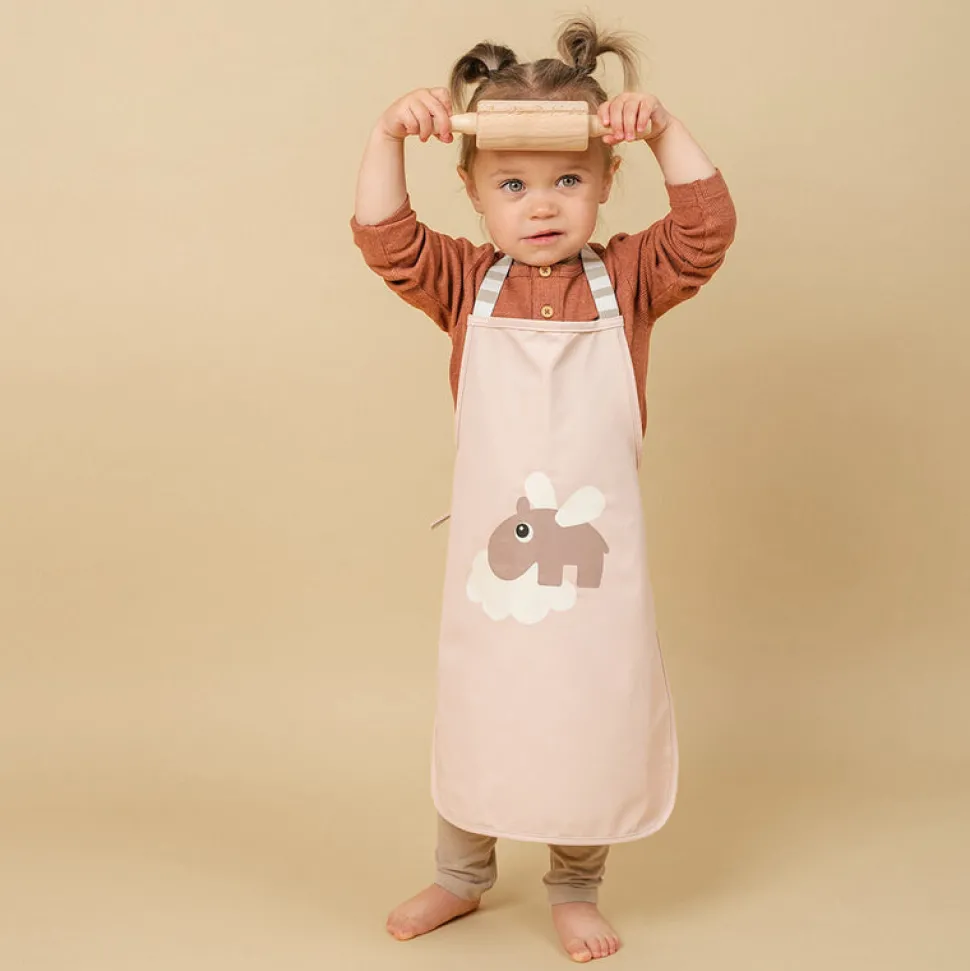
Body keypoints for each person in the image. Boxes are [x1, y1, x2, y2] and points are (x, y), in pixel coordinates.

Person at [351, 14, 737, 963]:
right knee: (483, 705)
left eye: (568, 180)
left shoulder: (632, 280)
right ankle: (460, 873)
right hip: (495, 572)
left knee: (589, 712)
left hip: (593, 575)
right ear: (473, 192)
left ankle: (575, 884)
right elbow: (385, 238)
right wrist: (387, 134)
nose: (541, 206)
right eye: (512, 185)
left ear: (606, 181)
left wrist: (663, 129)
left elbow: (706, 230)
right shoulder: (463, 283)